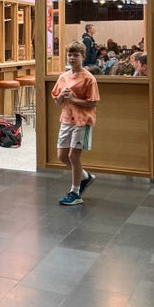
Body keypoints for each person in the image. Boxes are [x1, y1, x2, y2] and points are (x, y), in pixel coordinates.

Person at [52, 41, 100, 205]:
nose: (72, 58)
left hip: (82, 121)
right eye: (70, 55)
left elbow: (92, 103)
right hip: (66, 119)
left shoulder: (89, 79)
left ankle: (75, 192)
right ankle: (85, 176)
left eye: (76, 55)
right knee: (62, 156)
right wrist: (62, 97)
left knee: (74, 155)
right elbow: (57, 101)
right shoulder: (63, 77)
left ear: (83, 57)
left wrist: (74, 99)